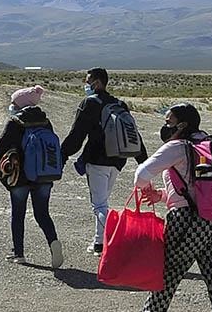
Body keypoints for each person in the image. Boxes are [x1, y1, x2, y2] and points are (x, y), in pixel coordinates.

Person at [134, 103, 212, 312]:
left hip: (185, 221)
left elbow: (141, 176)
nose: (166, 126)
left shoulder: (178, 146)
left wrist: (146, 188)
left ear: (182, 124)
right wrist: (161, 195)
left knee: (169, 275)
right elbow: (199, 190)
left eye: (169, 121)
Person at [61, 67, 148, 256]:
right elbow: (134, 135)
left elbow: (77, 134)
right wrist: (143, 161)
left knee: (99, 205)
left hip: (97, 160)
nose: (86, 85)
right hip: (118, 161)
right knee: (103, 201)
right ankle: (99, 241)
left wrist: (62, 155)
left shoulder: (90, 103)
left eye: (88, 81)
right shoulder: (119, 103)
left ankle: (103, 243)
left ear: (97, 83)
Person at [0, 85, 64, 268]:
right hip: (44, 177)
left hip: (20, 179)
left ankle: (19, 253)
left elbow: (0, 149)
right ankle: (53, 242)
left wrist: (3, 175)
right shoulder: (45, 122)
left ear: (20, 103)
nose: (12, 105)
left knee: (18, 214)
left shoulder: (15, 122)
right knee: (42, 214)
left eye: (14, 102)